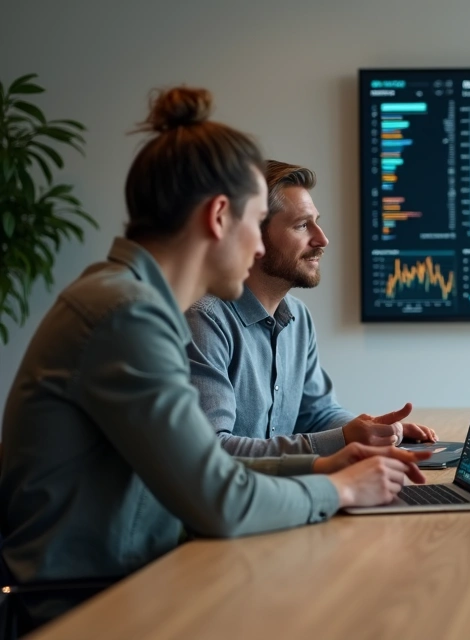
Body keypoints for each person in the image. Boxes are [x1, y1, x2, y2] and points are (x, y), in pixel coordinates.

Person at [0, 87, 428, 629]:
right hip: (91, 608)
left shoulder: (124, 298)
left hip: (136, 582)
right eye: (255, 223)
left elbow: (205, 462)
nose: (255, 249)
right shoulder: (126, 315)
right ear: (219, 217)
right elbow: (218, 499)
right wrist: (339, 487)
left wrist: (321, 464)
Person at [185, 160, 435, 456]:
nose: (322, 238)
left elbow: (317, 414)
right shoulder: (204, 320)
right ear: (252, 234)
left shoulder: (298, 317)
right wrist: (342, 439)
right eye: (302, 225)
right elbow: (212, 451)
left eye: (316, 221)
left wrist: (371, 429)